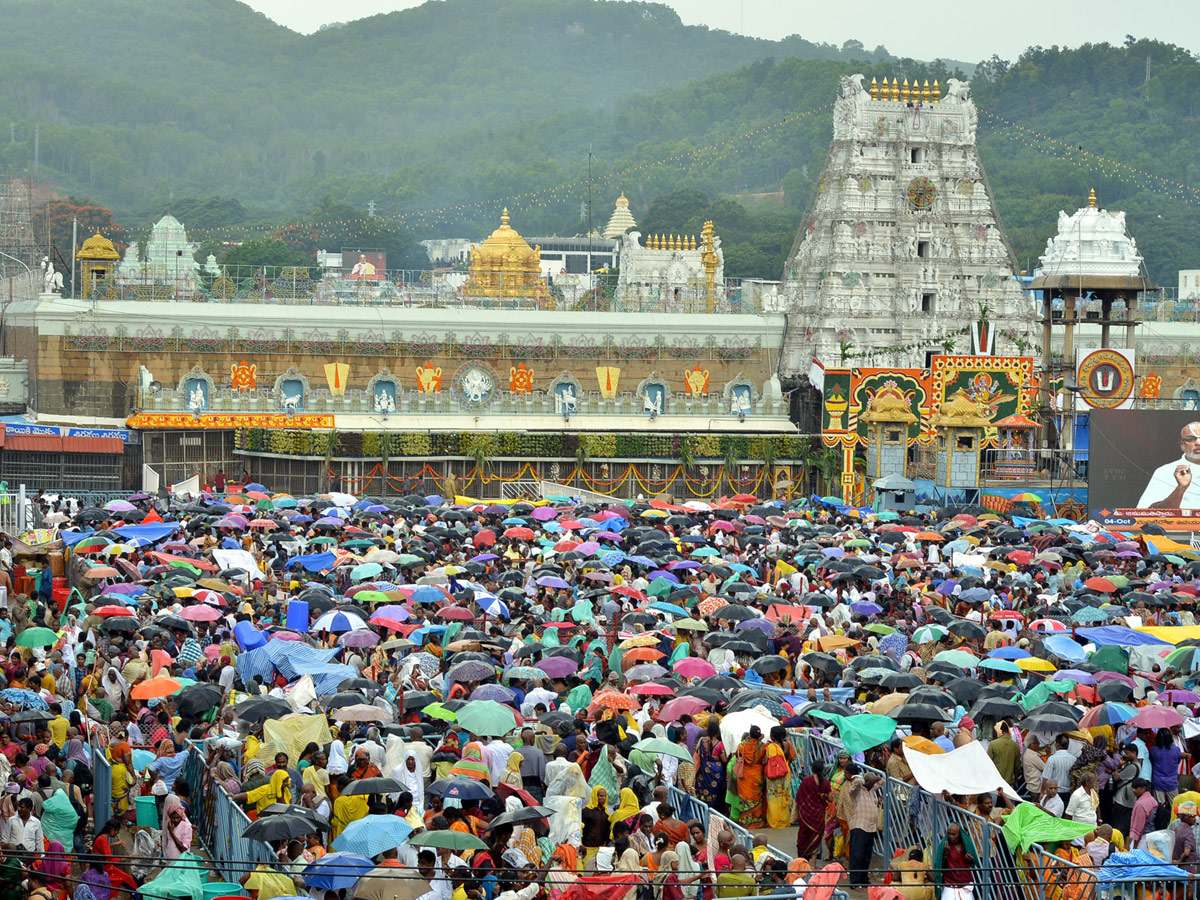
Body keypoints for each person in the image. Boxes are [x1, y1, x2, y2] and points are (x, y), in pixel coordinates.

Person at [1137, 421, 1200, 508]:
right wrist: (1180, 489)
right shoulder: (1165, 471)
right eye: (1190, 439)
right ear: (1182, 445)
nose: (1198, 443)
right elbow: (1148, 514)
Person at [846, 768, 881, 889]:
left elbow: (882, 781)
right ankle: (855, 882)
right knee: (857, 855)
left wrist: (873, 779)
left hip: (871, 828)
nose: (872, 785)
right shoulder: (858, 790)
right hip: (859, 826)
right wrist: (862, 779)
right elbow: (854, 785)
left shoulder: (870, 790)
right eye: (870, 783)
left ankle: (864, 879)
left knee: (866, 856)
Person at [795, 762, 830, 859]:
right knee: (816, 838)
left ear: (812, 768)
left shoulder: (806, 780)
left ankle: (803, 861)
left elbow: (798, 797)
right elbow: (831, 799)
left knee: (803, 836)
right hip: (818, 815)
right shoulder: (826, 782)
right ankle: (814, 865)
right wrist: (823, 796)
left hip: (806, 814)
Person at [734, 726, 767, 829]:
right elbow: (765, 760)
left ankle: (746, 822)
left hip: (745, 775)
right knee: (757, 797)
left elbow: (737, 756)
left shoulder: (742, 746)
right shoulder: (763, 746)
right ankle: (757, 822)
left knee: (745, 798)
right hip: (757, 774)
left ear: (750, 734)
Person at [933, 823, 976, 900]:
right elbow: (940, 868)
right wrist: (945, 855)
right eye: (949, 834)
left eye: (954, 834)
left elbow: (974, 862)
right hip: (949, 887)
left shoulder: (966, 844)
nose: (951, 837)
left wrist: (971, 859)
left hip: (965, 885)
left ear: (959, 834)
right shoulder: (944, 845)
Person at [764, 726, 796, 828]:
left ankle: (775, 822)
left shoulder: (770, 747)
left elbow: (765, 761)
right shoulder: (787, 744)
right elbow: (792, 758)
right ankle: (784, 822)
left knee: (774, 797)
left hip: (774, 777)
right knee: (783, 797)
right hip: (785, 774)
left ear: (772, 736)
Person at [1130, 778, 1158, 849]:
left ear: (1144, 788)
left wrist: (1135, 847)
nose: (1134, 790)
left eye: (1136, 788)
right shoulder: (1152, 800)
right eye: (1133, 788)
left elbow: (1138, 827)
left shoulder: (1140, 804)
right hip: (1153, 836)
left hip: (1143, 839)